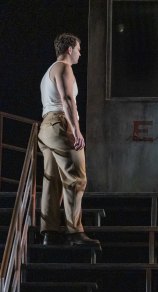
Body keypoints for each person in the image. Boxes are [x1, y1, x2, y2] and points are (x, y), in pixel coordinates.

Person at [38, 33, 100, 247]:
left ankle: (50, 232)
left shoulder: (48, 72)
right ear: (70, 49)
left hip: (46, 126)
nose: (80, 53)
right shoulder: (64, 68)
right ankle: (75, 232)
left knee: (52, 180)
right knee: (76, 178)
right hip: (60, 123)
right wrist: (76, 130)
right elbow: (66, 99)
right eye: (79, 49)